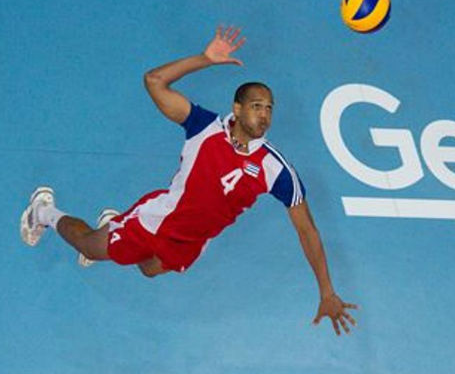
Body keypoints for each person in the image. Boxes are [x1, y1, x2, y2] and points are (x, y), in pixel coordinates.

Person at [20, 25, 358, 336]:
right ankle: (43, 211)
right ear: (237, 109)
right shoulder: (204, 127)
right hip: (155, 222)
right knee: (89, 247)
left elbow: (307, 231)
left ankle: (112, 224)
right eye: (257, 106)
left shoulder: (275, 168)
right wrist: (205, 59)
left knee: (148, 270)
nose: (265, 115)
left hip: (192, 241)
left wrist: (327, 292)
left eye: (269, 108)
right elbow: (154, 80)